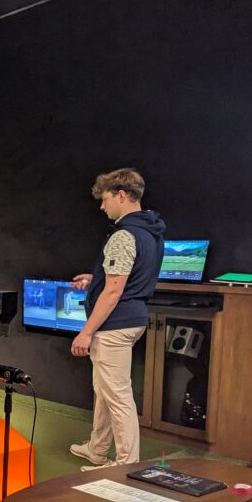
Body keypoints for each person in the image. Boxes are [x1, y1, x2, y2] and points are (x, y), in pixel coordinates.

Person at [69, 168, 165, 471]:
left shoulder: (123, 235)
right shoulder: (150, 231)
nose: (102, 206)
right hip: (131, 319)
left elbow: (114, 291)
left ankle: (126, 464)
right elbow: (124, 278)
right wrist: (93, 278)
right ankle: (97, 449)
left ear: (121, 195)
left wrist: (86, 332)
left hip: (115, 325)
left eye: (106, 198)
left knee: (118, 396)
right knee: (105, 389)